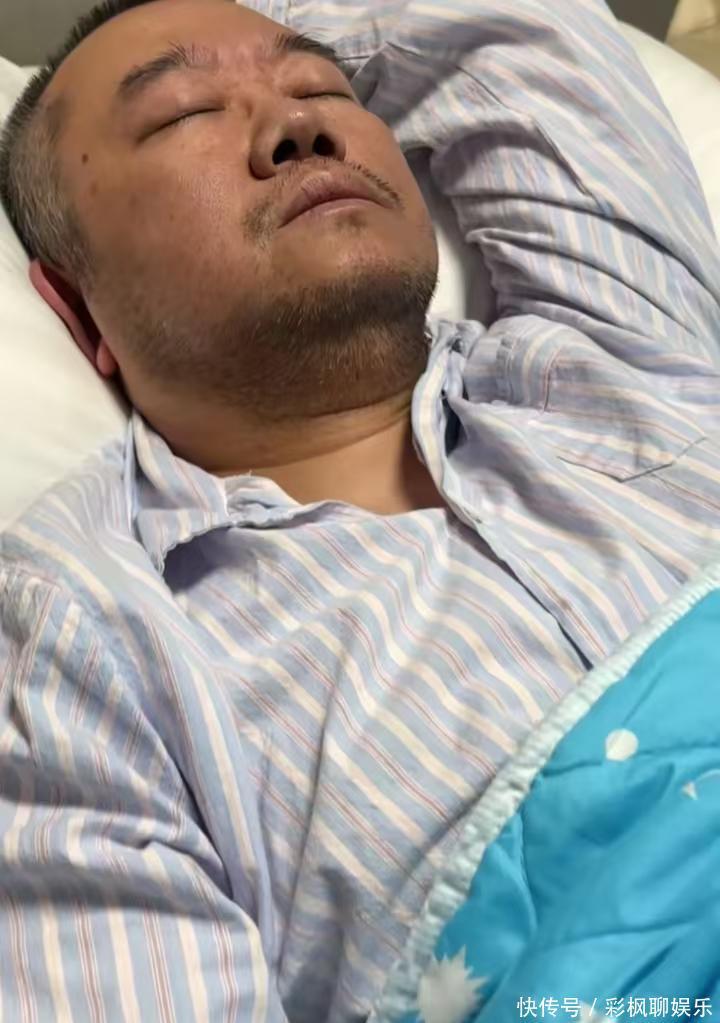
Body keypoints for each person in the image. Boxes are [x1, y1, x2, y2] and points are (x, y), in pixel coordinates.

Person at [0, 0, 718, 1018]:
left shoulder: (614, 358)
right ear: (77, 309)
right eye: (184, 113)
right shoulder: (85, 632)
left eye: (323, 86)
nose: (300, 124)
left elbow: (522, 23)